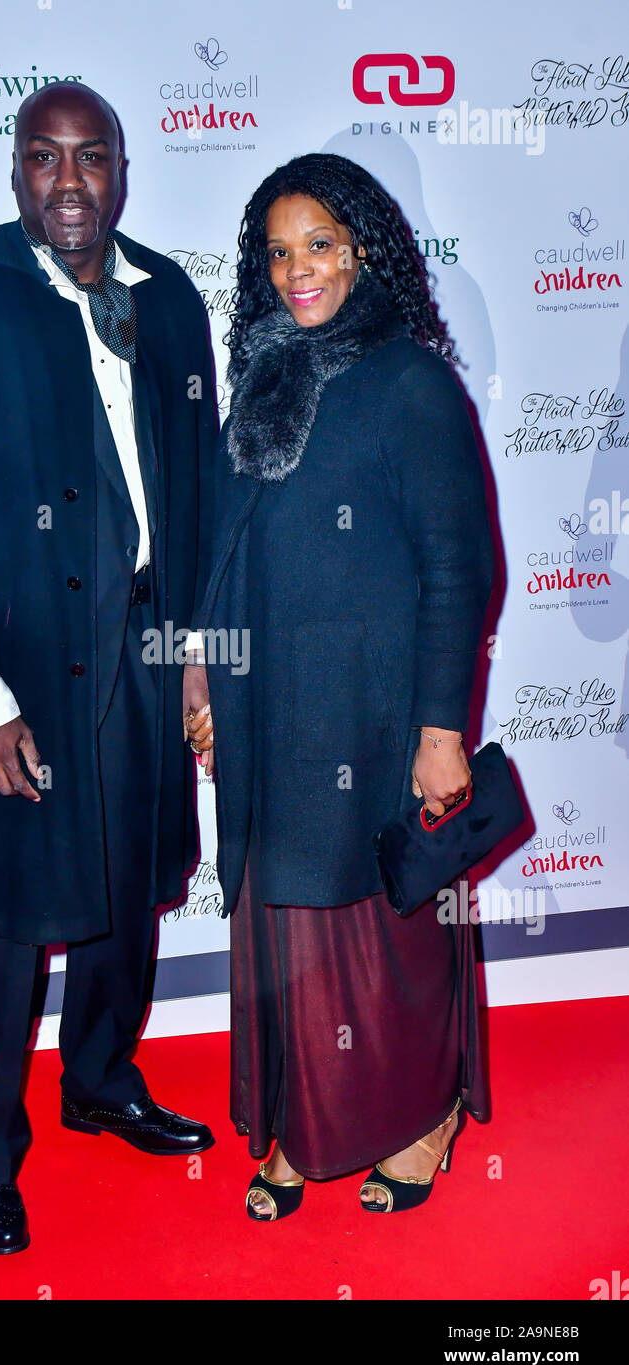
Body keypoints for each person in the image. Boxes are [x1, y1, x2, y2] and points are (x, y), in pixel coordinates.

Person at [0, 82, 218, 1255]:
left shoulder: (168, 297)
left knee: (125, 888)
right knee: (5, 920)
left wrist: (191, 653)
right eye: (44, 157)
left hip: (143, 646)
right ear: (14, 168)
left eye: (91, 157)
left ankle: (101, 1079)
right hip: (15, 673)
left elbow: (194, 488)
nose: (69, 182)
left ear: (121, 169)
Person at [188, 153, 495, 1219]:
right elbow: (222, 551)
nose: (298, 271)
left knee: (381, 925)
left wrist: (439, 729)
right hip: (267, 710)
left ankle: (419, 1118)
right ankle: (301, 1124)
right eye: (278, 253)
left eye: (318, 244)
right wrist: (200, 674)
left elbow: (459, 567)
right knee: (282, 923)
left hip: (372, 712)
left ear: (363, 250)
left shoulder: (409, 380)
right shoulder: (261, 378)